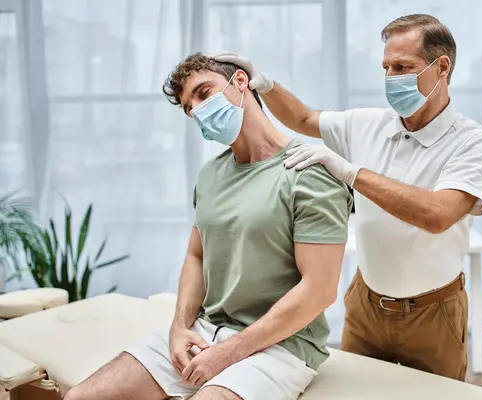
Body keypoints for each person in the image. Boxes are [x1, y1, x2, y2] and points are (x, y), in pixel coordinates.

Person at [214, 14, 482, 382]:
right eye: (386, 68)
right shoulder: (366, 124)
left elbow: (438, 214)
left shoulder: (475, 142)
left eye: (403, 67)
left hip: (434, 314)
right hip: (366, 305)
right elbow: (303, 119)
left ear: (441, 67)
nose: (391, 78)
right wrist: (266, 85)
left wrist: (351, 173)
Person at [64, 54, 353, 400]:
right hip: (207, 330)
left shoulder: (309, 172)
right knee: (79, 397)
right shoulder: (211, 174)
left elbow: (319, 291)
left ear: (242, 82)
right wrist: (179, 328)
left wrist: (230, 353)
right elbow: (196, 256)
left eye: (204, 93)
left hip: (281, 346)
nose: (198, 110)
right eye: (189, 107)